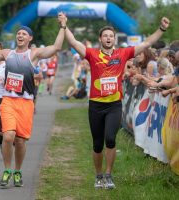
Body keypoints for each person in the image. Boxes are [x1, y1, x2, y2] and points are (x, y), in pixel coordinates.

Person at [60, 13, 170, 189]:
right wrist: (64, 25)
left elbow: (147, 43)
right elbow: (74, 43)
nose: (109, 38)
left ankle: (109, 174)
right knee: (97, 144)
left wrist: (162, 28)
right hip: (96, 105)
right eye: (105, 36)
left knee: (110, 139)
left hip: (114, 105)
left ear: (115, 40)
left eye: (111, 36)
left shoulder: (123, 53)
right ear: (100, 39)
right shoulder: (92, 54)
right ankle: (98, 175)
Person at [0, 12, 65, 187]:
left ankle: (18, 171)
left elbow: (56, 47)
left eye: (24, 34)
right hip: (9, 100)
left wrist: (63, 26)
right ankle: (7, 170)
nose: (20, 35)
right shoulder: (7, 53)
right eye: (18, 33)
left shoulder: (34, 54)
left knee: (20, 141)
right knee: (8, 136)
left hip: (26, 102)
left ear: (30, 38)